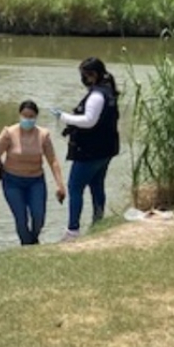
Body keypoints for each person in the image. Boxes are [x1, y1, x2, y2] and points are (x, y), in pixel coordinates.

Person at [52, 56, 120, 242]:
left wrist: (64, 117)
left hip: (90, 151)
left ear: (92, 75)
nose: (82, 78)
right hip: (105, 150)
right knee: (97, 186)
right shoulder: (108, 92)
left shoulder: (97, 95)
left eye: (84, 75)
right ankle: (98, 224)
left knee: (75, 187)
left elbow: (89, 121)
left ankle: (73, 231)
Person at [0, 100, 67, 245]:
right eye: (25, 116)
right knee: (21, 218)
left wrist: (60, 184)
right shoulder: (9, 133)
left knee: (39, 217)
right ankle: (27, 246)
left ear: (36, 117)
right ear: (19, 115)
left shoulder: (43, 135)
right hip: (12, 181)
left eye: (31, 116)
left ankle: (33, 240)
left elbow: (52, 160)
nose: (27, 119)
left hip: (35, 181)